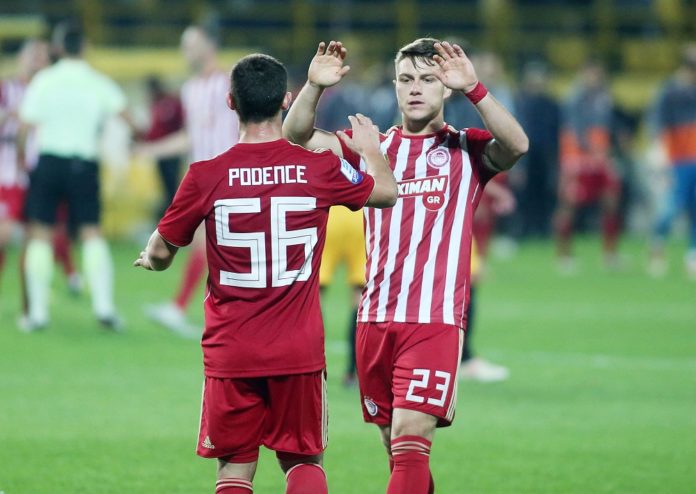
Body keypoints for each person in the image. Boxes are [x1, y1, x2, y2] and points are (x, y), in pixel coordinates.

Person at [134, 53, 396, 494]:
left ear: (230, 102)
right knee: (303, 461)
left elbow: (162, 253)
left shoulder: (205, 176)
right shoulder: (319, 167)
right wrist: (370, 149)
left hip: (231, 351)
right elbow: (386, 193)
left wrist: (150, 256)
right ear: (285, 100)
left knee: (234, 470)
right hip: (298, 350)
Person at [284, 38, 528, 493]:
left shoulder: (465, 150)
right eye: (406, 79)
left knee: (410, 436)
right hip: (374, 319)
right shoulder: (372, 147)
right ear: (395, 87)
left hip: (433, 321)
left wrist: (475, 89)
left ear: (445, 87)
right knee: (395, 446)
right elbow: (296, 135)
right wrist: (314, 87)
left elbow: (516, 144)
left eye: (428, 79)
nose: (416, 88)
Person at [18, 22, 130, 331]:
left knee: (40, 233)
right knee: (91, 232)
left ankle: (37, 314)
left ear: (57, 48)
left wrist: (22, 161)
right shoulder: (97, 81)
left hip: (49, 161)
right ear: (85, 47)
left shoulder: (44, 80)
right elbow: (127, 116)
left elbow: (25, 127)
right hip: (84, 163)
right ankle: (104, 307)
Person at [138, 25, 240, 337]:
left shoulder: (229, 84)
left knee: (215, 247)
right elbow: (191, 137)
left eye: (192, 44)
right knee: (212, 247)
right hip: (203, 179)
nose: (186, 51)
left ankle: (184, 308)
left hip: (230, 176)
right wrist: (152, 150)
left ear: (210, 45)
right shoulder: (190, 89)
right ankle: (188, 309)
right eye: (184, 45)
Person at [552, 59, 622, 272]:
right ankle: (564, 255)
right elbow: (573, 129)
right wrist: (593, 149)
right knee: (569, 204)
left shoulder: (604, 97)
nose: (595, 78)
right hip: (577, 159)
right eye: (592, 73)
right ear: (583, 74)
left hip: (600, 158)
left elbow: (608, 127)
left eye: (598, 74)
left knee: (611, 201)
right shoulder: (574, 98)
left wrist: (609, 149)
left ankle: (610, 254)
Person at [648, 43, 696, 279]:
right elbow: (656, 123)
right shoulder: (670, 91)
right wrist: (659, 152)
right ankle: (657, 243)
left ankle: (692, 256)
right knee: (670, 209)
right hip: (677, 159)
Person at [140, 75, 185, 219]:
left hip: (171, 151)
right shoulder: (156, 104)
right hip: (160, 151)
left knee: (172, 185)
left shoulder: (168, 104)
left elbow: (170, 127)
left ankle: (175, 213)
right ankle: (170, 211)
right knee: (166, 186)